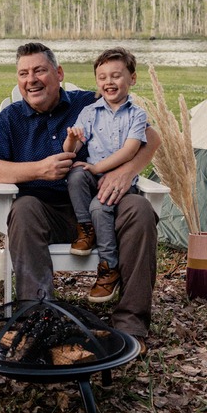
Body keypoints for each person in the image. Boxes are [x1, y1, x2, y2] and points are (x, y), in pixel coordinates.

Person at [0, 42, 160, 353]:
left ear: (58, 73)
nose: (31, 79)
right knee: (24, 209)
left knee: (139, 208)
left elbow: (150, 137)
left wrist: (126, 172)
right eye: (23, 73)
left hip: (102, 205)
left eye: (39, 71)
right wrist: (38, 169)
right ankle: (37, 319)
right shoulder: (11, 119)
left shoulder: (89, 104)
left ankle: (130, 326)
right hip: (48, 213)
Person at [63, 47, 147, 303]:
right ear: (97, 81)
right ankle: (85, 229)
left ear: (132, 78)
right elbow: (73, 151)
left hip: (121, 184)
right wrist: (71, 140)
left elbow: (130, 150)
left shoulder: (137, 115)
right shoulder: (90, 112)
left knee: (100, 207)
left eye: (116, 76)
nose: (109, 82)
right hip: (92, 177)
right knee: (76, 175)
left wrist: (98, 168)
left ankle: (108, 268)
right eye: (102, 77)